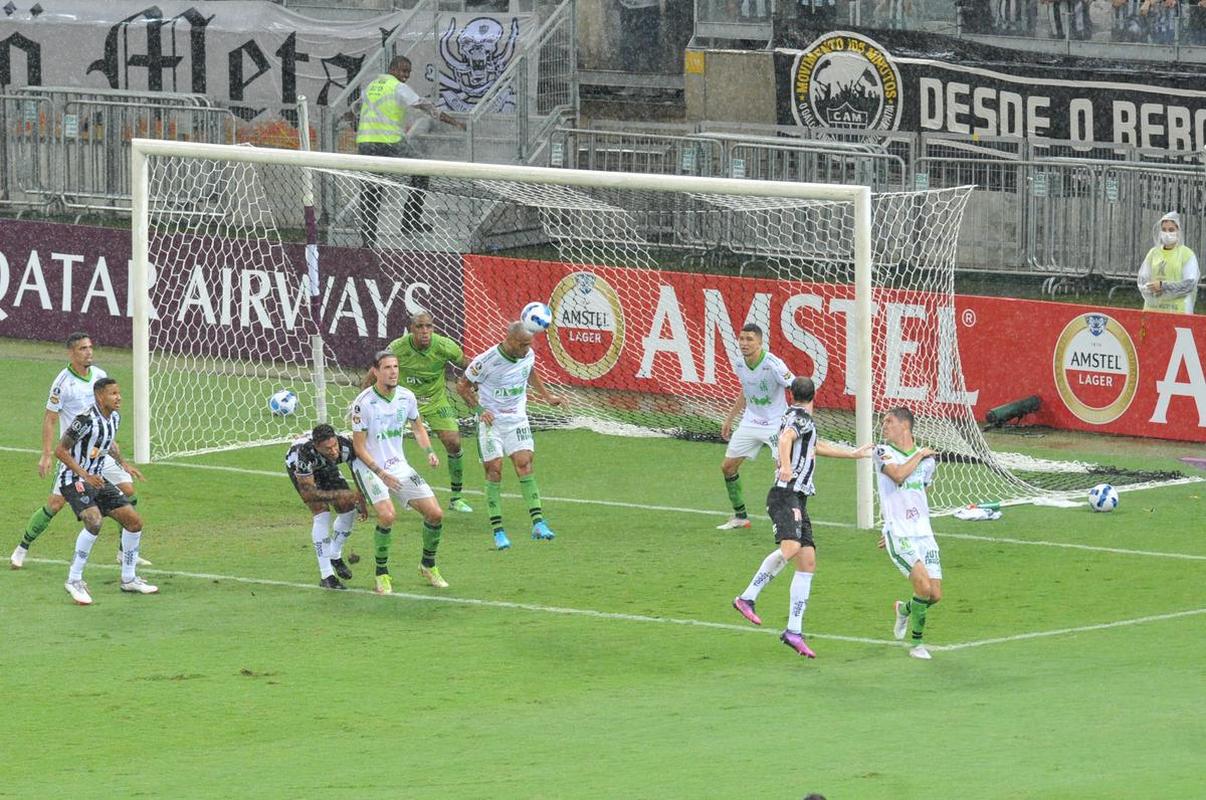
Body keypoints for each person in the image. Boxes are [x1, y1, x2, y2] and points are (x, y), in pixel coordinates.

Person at [730, 377, 871, 658]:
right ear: (814, 396)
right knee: (791, 547)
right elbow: (786, 439)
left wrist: (853, 455)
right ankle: (747, 597)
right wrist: (785, 466)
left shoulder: (793, 417)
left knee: (807, 563)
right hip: (786, 494)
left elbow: (814, 447)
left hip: (798, 498)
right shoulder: (800, 419)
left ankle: (793, 631)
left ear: (791, 395)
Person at [11, 332, 149, 570]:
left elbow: (106, 423)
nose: (89, 352)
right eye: (83, 348)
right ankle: (22, 548)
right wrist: (46, 454)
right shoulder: (63, 383)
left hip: (100, 452)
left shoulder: (100, 376)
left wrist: (122, 462)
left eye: (90, 347)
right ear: (71, 353)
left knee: (128, 491)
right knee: (55, 505)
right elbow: (50, 418)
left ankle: (124, 552)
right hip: (74, 455)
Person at [457, 322, 567, 550]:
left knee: (524, 464)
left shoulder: (527, 355)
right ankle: (498, 532)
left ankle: (539, 524)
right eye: (523, 344)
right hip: (492, 423)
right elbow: (462, 386)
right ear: (510, 341)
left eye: (529, 344)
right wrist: (479, 410)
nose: (528, 349)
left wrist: (547, 397)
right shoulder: (485, 361)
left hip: (517, 419)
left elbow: (530, 371)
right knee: (494, 470)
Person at [350, 351, 448, 593]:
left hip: (399, 466)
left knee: (435, 514)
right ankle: (382, 574)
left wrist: (429, 451)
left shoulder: (406, 397)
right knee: (387, 516)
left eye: (395, 367)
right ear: (376, 371)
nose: (393, 372)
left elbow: (418, 428)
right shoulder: (363, 403)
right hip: (370, 467)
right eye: (387, 367)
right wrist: (380, 472)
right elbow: (358, 447)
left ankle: (428, 565)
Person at [57, 378, 157, 604]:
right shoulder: (84, 420)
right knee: (94, 521)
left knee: (134, 522)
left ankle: (129, 578)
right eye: (113, 393)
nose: (119, 397)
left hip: (98, 480)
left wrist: (124, 464)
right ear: (100, 396)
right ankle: (74, 580)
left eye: (119, 393)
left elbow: (109, 443)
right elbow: (61, 450)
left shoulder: (114, 417)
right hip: (74, 479)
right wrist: (85, 475)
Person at [356, 54, 466, 248]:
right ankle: (410, 220)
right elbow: (425, 106)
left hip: (366, 143)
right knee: (421, 171)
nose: (406, 76)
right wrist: (454, 122)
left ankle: (368, 240)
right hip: (389, 142)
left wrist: (344, 120)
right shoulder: (398, 87)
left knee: (371, 190)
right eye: (403, 71)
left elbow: (355, 108)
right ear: (393, 69)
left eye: (408, 72)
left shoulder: (371, 86)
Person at [381, 310, 474, 514]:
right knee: (382, 445)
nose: (425, 331)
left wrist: (476, 380)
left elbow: (468, 364)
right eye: (419, 326)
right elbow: (376, 371)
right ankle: (375, 493)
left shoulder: (444, 346)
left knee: (454, 442)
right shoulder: (398, 348)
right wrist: (363, 398)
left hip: (435, 401)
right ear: (411, 329)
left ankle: (456, 497)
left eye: (428, 326)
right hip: (404, 402)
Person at [874, 407, 942, 660]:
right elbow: (898, 476)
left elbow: (920, 491)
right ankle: (917, 644)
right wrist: (891, 529)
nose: (884, 425)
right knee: (923, 588)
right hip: (899, 533)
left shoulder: (928, 462)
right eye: (884, 422)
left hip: (923, 533)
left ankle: (903, 609)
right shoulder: (882, 451)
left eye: (889, 421)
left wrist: (922, 457)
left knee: (934, 595)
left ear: (905, 425)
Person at [717, 324, 795, 530]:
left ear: (760, 343)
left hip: (775, 423)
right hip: (750, 422)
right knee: (727, 467)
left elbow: (797, 388)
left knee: (783, 471)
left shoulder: (774, 365)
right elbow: (746, 391)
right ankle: (740, 517)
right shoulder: (739, 364)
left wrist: (801, 421)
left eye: (750, 339)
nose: (744, 343)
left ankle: (789, 521)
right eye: (742, 339)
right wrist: (730, 418)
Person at [286, 423, 367, 589]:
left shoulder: (344, 446)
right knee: (321, 512)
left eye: (334, 445)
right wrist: (339, 495)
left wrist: (361, 497)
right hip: (303, 471)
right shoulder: (304, 455)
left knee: (348, 508)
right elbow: (309, 493)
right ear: (317, 446)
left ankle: (334, 555)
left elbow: (357, 471)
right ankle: (327, 576)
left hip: (325, 465)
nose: (334, 451)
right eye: (328, 448)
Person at [1138, 210, 1199, 314]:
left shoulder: (1186, 254)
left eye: (1171, 230)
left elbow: (1189, 284)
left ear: (1178, 231)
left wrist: (1163, 286)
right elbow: (1142, 280)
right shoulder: (1153, 253)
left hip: (1178, 311)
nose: (1167, 233)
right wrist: (1151, 288)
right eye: (1164, 230)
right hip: (1153, 310)